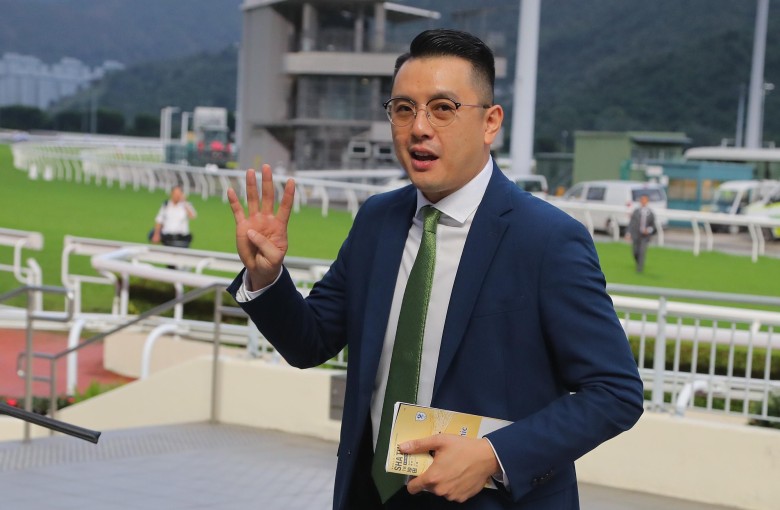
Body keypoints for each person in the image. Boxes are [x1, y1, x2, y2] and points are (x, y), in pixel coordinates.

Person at [226, 29, 644, 510]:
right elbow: (311, 341)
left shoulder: (546, 239)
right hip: (373, 495)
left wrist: (493, 455)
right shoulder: (377, 220)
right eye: (403, 109)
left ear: (490, 122)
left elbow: (615, 392)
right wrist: (266, 277)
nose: (418, 127)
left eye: (442, 108)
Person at [625, 194, 657, 273]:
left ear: (647, 201)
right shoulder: (636, 211)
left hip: (645, 237)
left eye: (645, 200)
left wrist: (648, 230)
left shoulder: (651, 213)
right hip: (636, 235)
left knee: (642, 252)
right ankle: (638, 262)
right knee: (635, 252)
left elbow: (653, 226)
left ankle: (639, 269)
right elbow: (631, 223)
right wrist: (628, 233)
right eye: (642, 200)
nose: (643, 202)